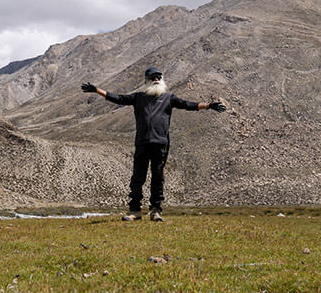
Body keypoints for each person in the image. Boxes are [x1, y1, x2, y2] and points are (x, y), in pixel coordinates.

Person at [81, 67, 226, 222]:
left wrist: (208, 105)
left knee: (158, 177)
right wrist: (97, 90)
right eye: (152, 77)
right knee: (138, 177)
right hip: (142, 143)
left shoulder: (169, 97)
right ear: (146, 80)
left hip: (160, 144)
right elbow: (118, 98)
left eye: (158, 77)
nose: (156, 79)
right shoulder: (138, 97)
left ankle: (155, 211)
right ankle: (135, 211)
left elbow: (187, 104)